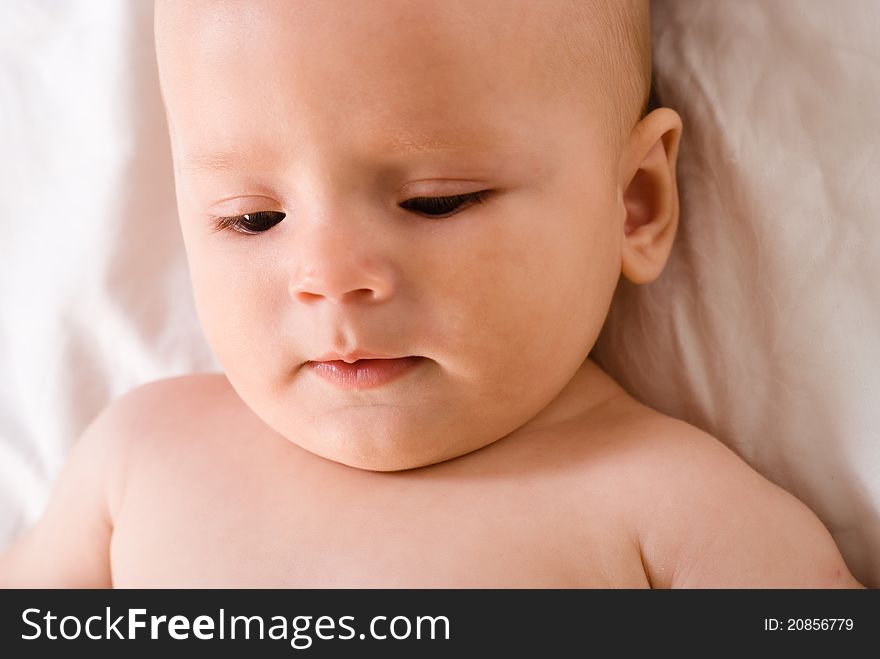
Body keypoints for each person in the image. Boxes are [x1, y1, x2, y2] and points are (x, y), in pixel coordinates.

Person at [0, 0, 863, 588]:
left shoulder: (672, 508)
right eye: (252, 218)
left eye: (435, 201)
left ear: (634, 201)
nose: (330, 276)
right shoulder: (138, 458)